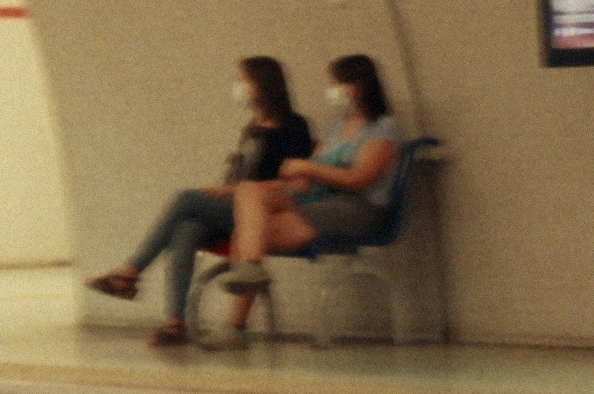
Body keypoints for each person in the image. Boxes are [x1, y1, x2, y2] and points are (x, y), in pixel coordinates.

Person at [84, 56, 312, 347]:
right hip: (232, 204)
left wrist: (234, 191)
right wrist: (225, 189)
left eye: (243, 81)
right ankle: (175, 323)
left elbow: (298, 184)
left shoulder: (294, 126)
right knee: (186, 229)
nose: (238, 86)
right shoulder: (252, 127)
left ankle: (129, 272)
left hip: (259, 210)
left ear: (261, 85)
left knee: (184, 199)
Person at [204, 54, 408, 341]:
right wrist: (300, 176)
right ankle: (248, 276)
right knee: (250, 194)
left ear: (359, 85)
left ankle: (236, 322)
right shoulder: (338, 126)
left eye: (337, 83)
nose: (332, 90)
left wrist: (309, 167)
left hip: (360, 209)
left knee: (247, 236)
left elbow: (360, 179)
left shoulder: (384, 128)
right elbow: (316, 165)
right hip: (324, 200)